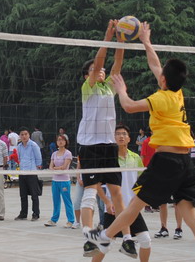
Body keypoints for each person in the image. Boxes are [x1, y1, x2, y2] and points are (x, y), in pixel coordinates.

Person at [85, 22, 195, 262]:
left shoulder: (161, 98)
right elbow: (155, 65)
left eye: (161, 74)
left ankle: (103, 237)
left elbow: (129, 106)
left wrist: (121, 88)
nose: (158, 73)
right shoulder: (177, 93)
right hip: (186, 162)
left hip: (167, 161)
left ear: (163, 80)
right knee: (191, 217)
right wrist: (146, 41)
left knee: (133, 206)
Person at [76, 21, 133, 257]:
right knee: (90, 190)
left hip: (109, 145)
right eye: (94, 69)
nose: (100, 71)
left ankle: (127, 239)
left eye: (100, 70)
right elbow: (100, 62)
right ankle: (89, 236)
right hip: (89, 145)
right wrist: (107, 37)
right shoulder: (88, 87)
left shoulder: (109, 87)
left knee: (116, 192)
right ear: (88, 75)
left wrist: (120, 41)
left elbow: (116, 63)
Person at [93, 124, 151, 262]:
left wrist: (139, 200)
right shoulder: (108, 160)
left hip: (131, 209)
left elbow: (141, 182)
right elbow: (96, 184)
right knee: (105, 246)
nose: (121, 136)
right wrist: (107, 202)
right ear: (113, 138)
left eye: (124, 134)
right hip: (113, 209)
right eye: (118, 134)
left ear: (129, 138)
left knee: (146, 240)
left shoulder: (135, 158)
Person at [45, 134, 75, 228]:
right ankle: (54, 220)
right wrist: (55, 168)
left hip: (64, 180)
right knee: (56, 201)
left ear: (65, 142)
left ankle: (70, 220)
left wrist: (55, 168)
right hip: (55, 180)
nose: (60, 141)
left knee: (67, 200)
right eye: (58, 140)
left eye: (62, 140)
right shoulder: (54, 154)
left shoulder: (68, 153)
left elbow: (64, 167)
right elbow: (50, 167)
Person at [15, 128, 43, 221]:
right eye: (22, 134)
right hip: (22, 172)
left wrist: (37, 168)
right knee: (23, 195)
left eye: (25, 134)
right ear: (20, 136)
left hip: (31, 172)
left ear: (29, 135)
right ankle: (23, 213)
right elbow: (19, 158)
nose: (24, 136)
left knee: (34, 195)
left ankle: (36, 213)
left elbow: (38, 158)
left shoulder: (33, 145)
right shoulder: (19, 146)